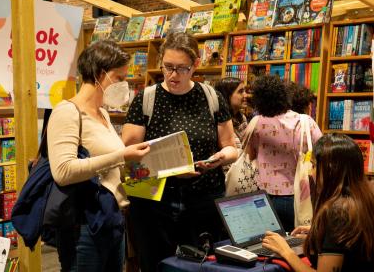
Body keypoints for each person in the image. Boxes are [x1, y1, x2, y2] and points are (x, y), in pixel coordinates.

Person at [122, 32, 238, 272]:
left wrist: (218, 159)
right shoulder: (146, 99)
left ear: (195, 65)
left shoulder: (211, 97)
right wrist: (170, 171)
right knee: (157, 264)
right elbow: (128, 153)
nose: (173, 75)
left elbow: (230, 147)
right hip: (154, 203)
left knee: (201, 266)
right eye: (167, 67)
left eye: (181, 69)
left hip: (203, 199)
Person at [47, 40, 150, 272]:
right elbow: (63, 171)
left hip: (112, 219)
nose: (124, 85)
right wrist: (122, 156)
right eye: (120, 78)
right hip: (84, 225)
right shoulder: (67, 112)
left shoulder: (102, 112)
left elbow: (111, 165)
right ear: (98, 74)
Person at [262, 134, 374, 272]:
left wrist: (285, 251)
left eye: (314, 166)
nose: (310, 172)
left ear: (330, 169)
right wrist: (322, 234)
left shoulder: (337, 212)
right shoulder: (365, 199)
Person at [248, 75, 322, 232]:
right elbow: (323, 152)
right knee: (297, 241)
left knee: (267, 244)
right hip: (297, 196)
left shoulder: (256, 122)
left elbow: (250, 155)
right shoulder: (304, 121)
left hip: (263, 197)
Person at [214, 77, 248, 151]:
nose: (246, 95)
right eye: (240, 91)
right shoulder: (219, 121)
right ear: (227, 95)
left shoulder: (241, 117)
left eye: (245, 91)